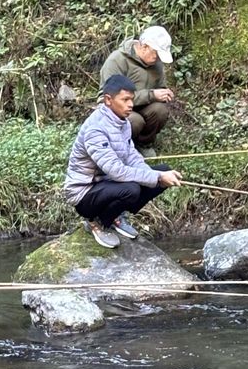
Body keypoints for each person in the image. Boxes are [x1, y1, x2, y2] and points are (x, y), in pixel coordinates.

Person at [64, 74, 184, 248]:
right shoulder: (95, 129)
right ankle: (97, 223)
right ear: (108, 100)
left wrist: (157, 175)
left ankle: (114, 216)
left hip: (108, 186)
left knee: (162, 170)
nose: (131, 105)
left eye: (132, 99)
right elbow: (117, 171)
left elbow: (131, 156)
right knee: (132, 189)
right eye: (125, 99)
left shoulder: (123, 123)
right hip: (85, 194)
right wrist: (157, 177)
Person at [98, 25, 175, 154]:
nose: (158, 59)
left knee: (160, 111)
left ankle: (143, 144)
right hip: (115, 108)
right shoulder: (117, 60)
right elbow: (113, 97)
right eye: (156, 54)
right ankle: (120, 149)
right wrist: (151, 95)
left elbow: (160, 87)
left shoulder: (156, 64)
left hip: (142, 106)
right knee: (134, 121)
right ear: (144, 47)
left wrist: (164, 94)